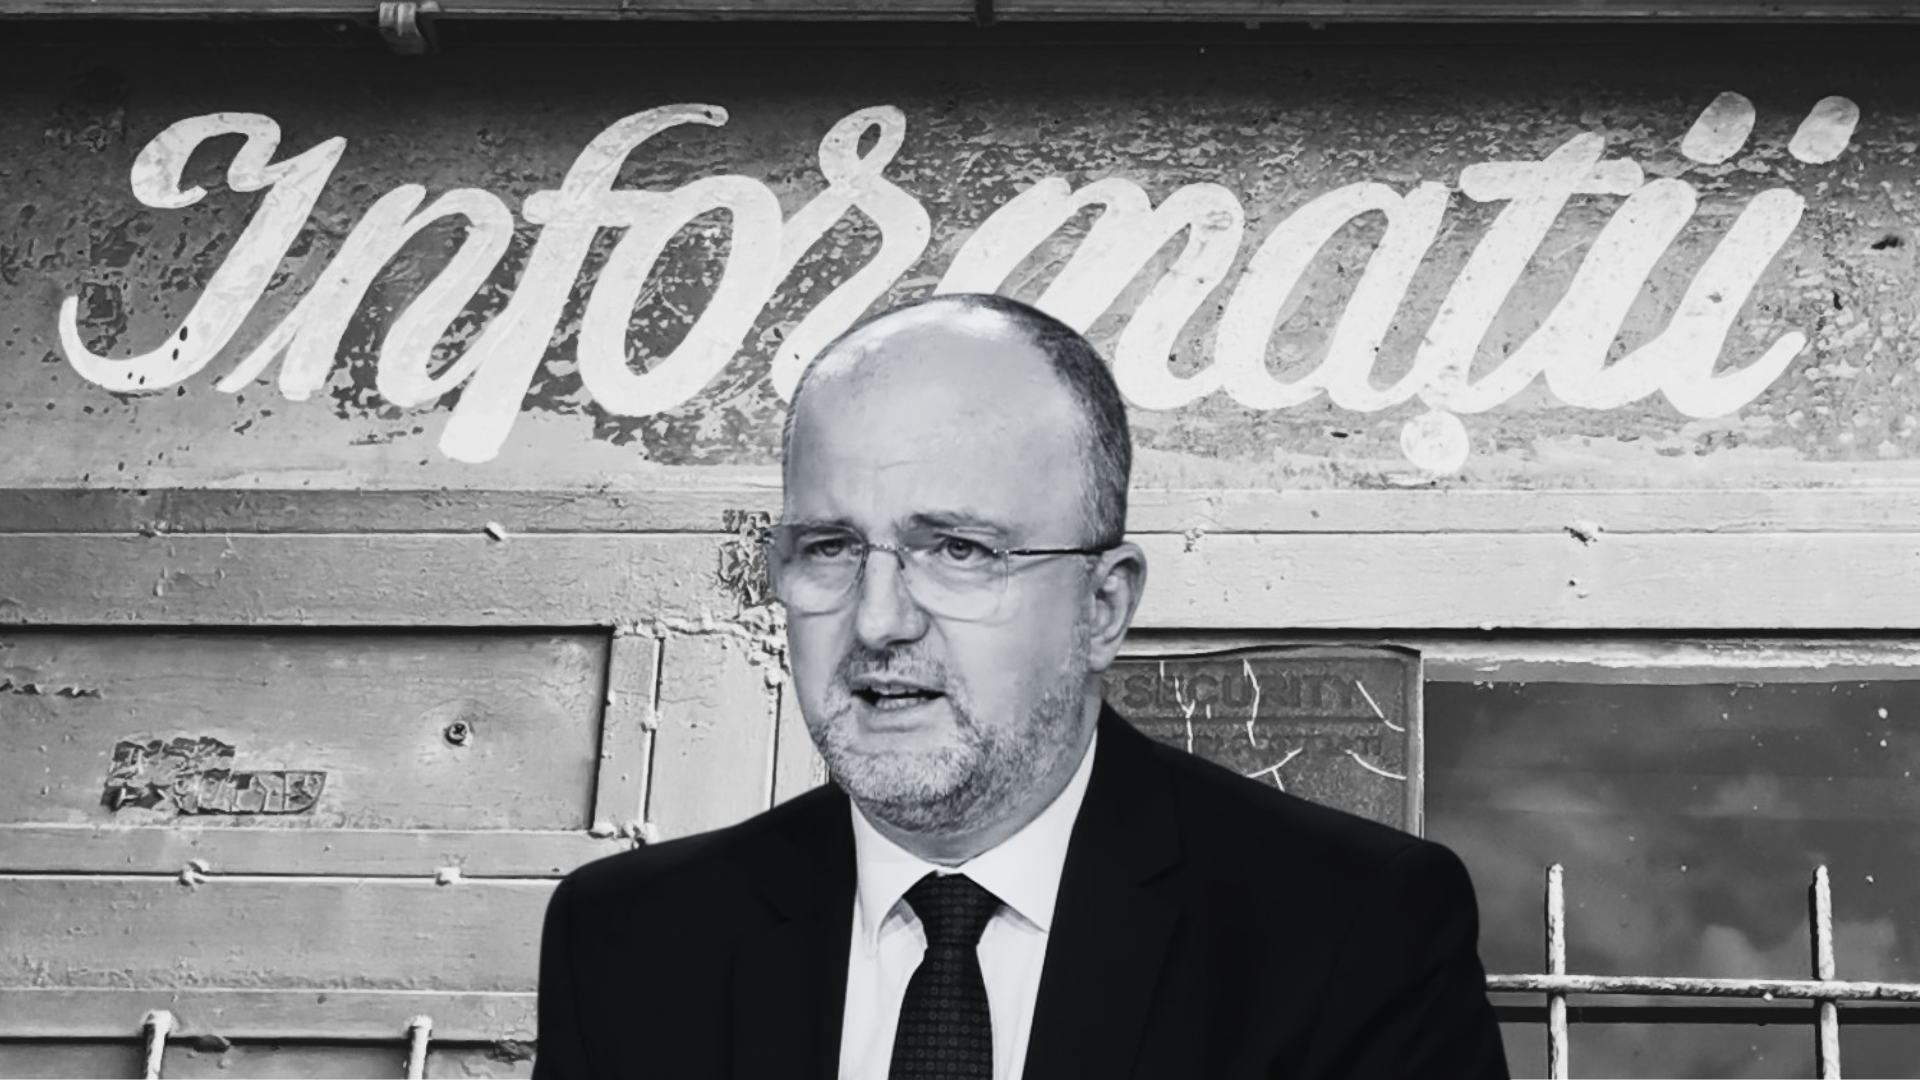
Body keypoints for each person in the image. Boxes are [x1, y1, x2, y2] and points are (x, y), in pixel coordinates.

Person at [533, 293, 1508, 1080]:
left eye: (959, 550)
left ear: (1103, 606)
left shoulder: (1351, 932)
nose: (877, 621)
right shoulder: (629, 941)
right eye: (830, 548)